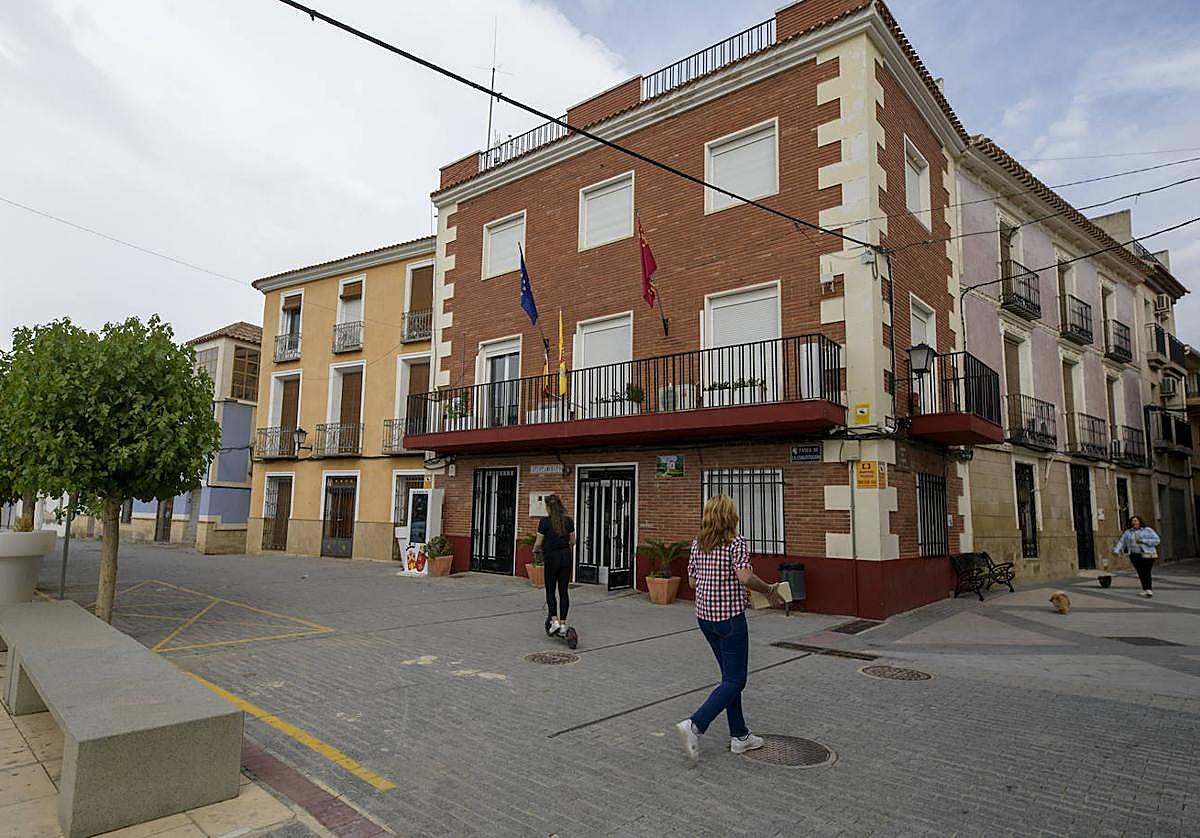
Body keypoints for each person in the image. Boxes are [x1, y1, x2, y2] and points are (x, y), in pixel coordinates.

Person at [676, 495, 784, 764]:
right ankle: (695, 725)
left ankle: (740, 736)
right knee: (736, 680)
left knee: (728, 678)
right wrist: (770, 590)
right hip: (730, 618)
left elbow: (691, 581)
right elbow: (745, 577)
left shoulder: (696, 544)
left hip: (705, 617)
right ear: (730, 516)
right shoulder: (735, 543)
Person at [534, 494, 576, 637]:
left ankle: (554, 620)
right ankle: (563, 624)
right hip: (565, 557)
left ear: (548, 507)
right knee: (563, 591)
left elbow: (538, 543)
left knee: (550, 590)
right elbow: (573, 541)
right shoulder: (569, 521)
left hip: (551, 558)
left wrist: (535, 550)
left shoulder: (544, 522)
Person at [1113, 515, 1161, 597]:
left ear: (1139, 521)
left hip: (1147, 554)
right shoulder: (1128, 532)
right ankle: (1145, 588)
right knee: (1140, 572)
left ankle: (1148, 589)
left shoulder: (1147, 530)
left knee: (1146, 571)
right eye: (1133, 521)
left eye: (1136, 521)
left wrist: (1143, 541)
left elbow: (1157, 540)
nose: (1134, 522)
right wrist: (1116, 550)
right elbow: (1122, 541)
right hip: (1134, 555)